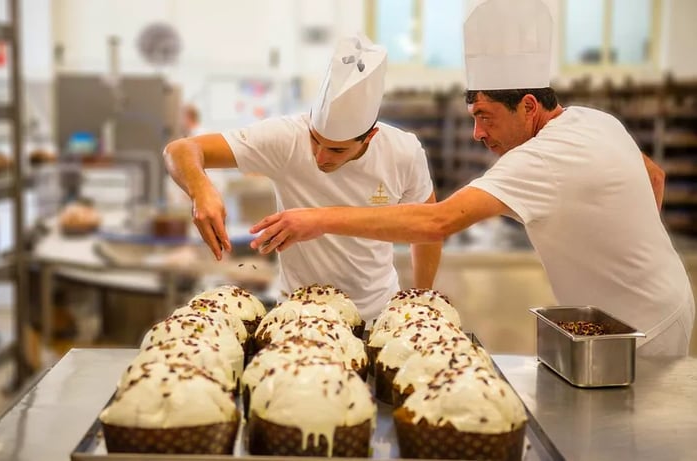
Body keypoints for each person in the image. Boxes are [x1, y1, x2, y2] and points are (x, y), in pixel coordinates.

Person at [249, 0, 694, 356]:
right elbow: (653, 177)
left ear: (528, 106)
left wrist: (319, 219)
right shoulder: (593, 120)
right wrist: (633, 247)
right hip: (654, 300)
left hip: (640, 325)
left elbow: (435, 222)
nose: (477, 133)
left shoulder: (539, 159)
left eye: (485, 117)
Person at [163, 34, 442, 322]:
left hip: (375, 315)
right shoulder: (286, 138)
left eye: (336, 149)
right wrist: (201, 190)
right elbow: (181, 149)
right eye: (315, 140)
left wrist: (421, 299)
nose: (320, 156)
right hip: (296, 315)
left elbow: (427, 228)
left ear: (369, 137)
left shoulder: (403, 152)